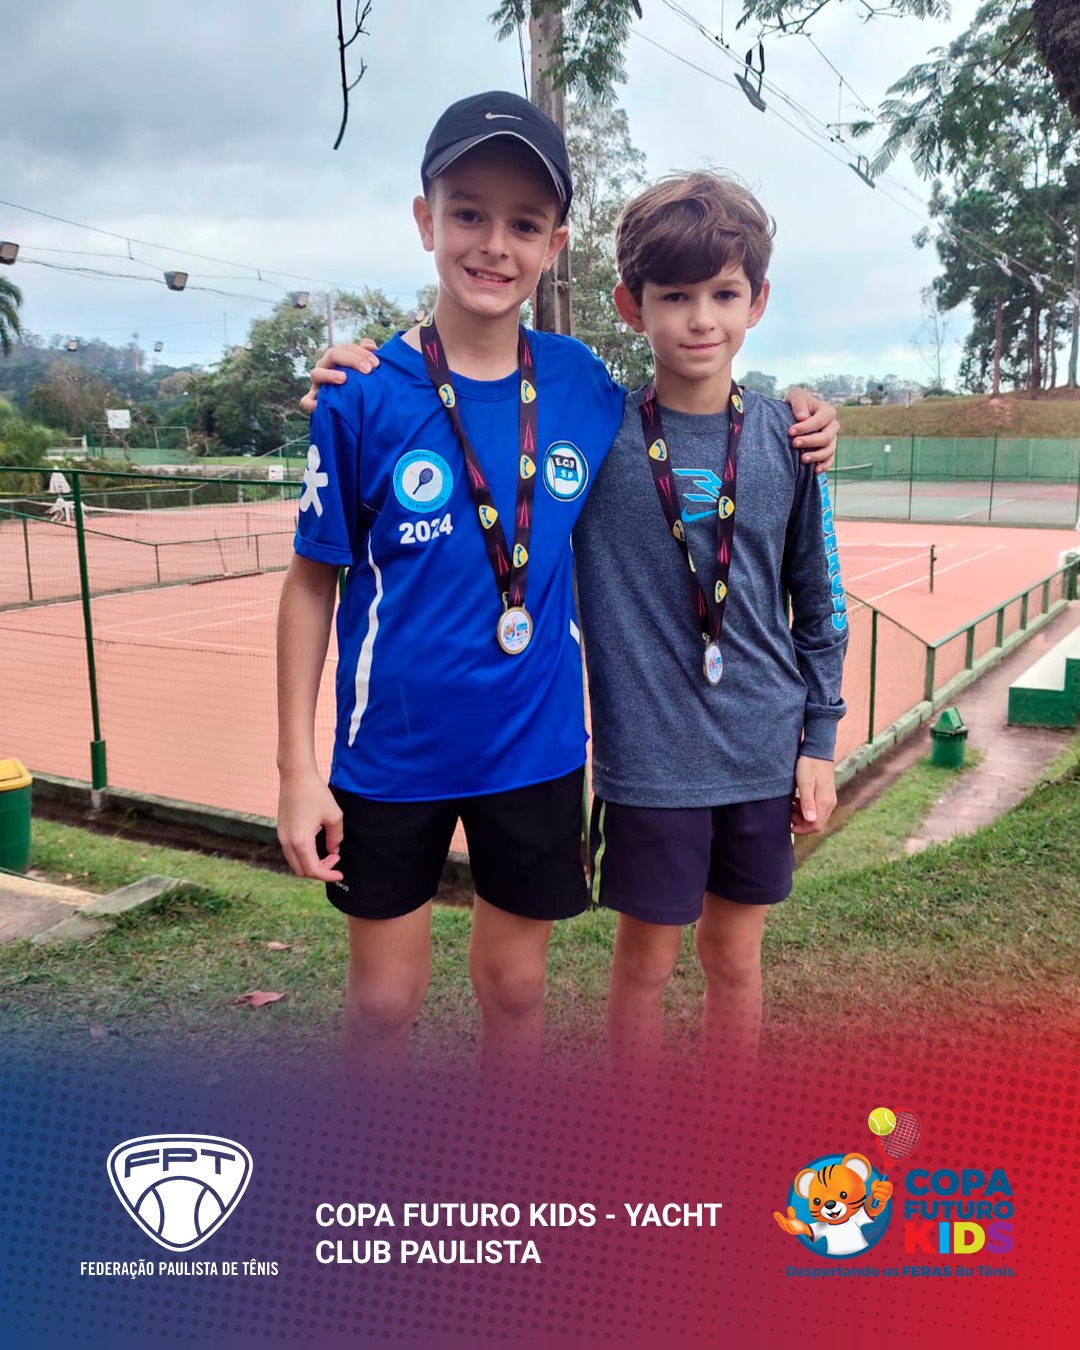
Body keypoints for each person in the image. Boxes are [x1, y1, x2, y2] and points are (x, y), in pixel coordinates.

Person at [283, 92, 839, 1082]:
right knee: (383, 1002)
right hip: (392, 752)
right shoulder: (364, 394)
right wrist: (295, 770)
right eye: (468, 214)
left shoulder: (581, 387)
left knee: (518, 990)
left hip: (535, 750)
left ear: (555, 245)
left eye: (525, 224)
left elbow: (709, 414)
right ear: (424, 220)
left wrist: (805, 408)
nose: (495, 244)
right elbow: (310, 582)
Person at [578, 172, 848, 1082]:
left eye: (725, 294)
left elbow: (821, 602)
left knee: (734, 958)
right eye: (675, 296)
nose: (701, 319)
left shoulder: (791, 439)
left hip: (762, 752)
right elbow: (489, 382)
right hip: (649, 760)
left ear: (757, 303)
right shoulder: (596, 436)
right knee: (645, 968)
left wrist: (819, 741)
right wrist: (370, 370)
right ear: (633, 305)